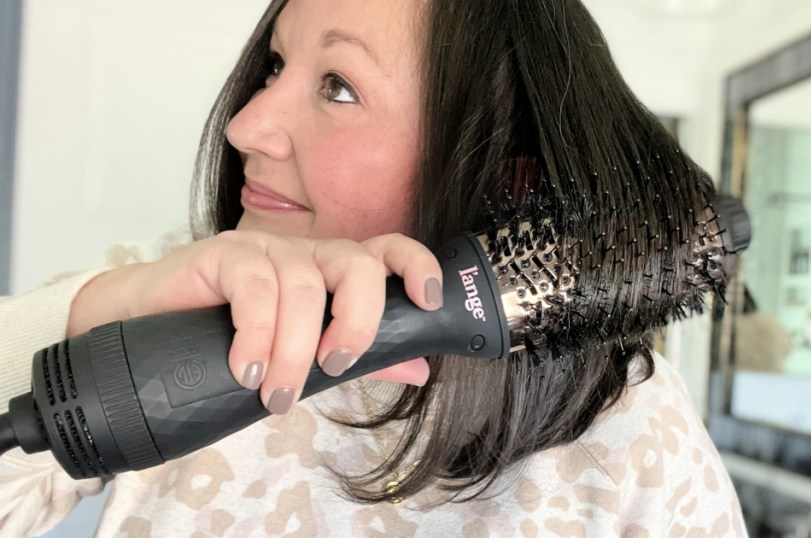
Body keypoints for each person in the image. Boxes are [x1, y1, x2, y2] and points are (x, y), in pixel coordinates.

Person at [0, 0, 746, 535]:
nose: (246, 125)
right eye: (275, 66)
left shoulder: (634, 433)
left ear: (501, 175)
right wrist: (102, 309)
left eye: (339, 86)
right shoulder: (163, 287)